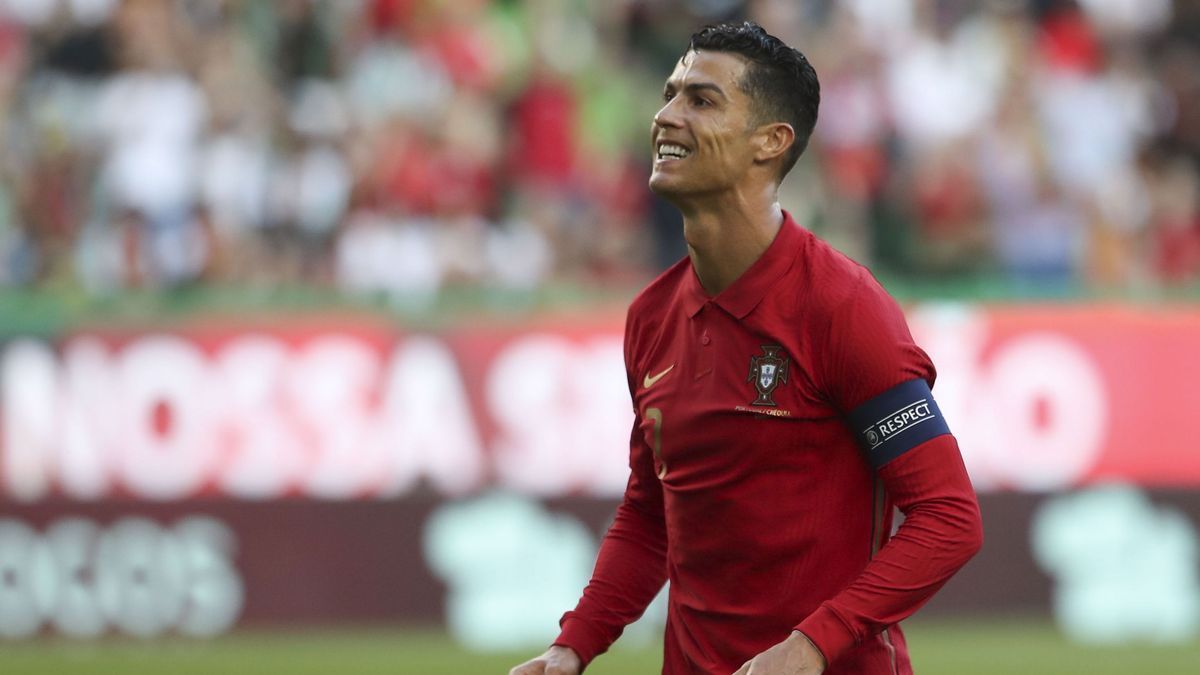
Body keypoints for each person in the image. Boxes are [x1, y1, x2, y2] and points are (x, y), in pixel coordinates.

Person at [510, 21, 982, 675]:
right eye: (670, 94)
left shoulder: (841, 306)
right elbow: (652, 513)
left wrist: (813, 643)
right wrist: (574, 644)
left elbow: (949, 515)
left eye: (701, 100)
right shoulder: (650, 317)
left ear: (770, 142)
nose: (666, 116)